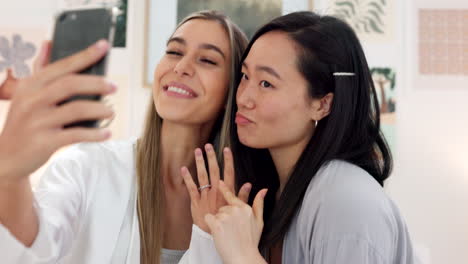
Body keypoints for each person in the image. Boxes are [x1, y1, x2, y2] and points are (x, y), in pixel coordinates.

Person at [0, 10, 248, 264]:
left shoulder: (239, 203)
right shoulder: (87, 166)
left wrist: (208, 239)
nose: (181, 67)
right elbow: (31, 247)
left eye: (207, 60)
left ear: (233, 89)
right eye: (174, 52)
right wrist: (11, 175)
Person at [180, 11, 414, 263]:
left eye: (267, 84)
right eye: (246, 76)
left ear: (323, 104)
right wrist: (209, 237)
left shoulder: (345, 201)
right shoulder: (272, 194)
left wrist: (244, 256)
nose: (244, 98)